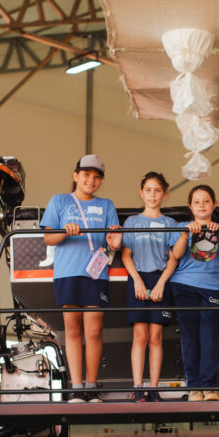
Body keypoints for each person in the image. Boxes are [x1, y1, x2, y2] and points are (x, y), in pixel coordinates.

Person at [40, 154, 122, 403]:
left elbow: (114, 242)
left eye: (96, 177)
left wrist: (114, 242)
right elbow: (47, 238)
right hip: (67, 272)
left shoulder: (107, 205)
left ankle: (91, 386)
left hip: (95, 273)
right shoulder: (60, 201)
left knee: (94, 331)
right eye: (86, 174)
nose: (91, 180)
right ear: (75, 176)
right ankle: (76, 388)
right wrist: (64, 231)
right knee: (73, 330)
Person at [168, 185, 219, 402]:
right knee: (189, 337)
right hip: (184, 285)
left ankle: (209, 386)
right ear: (190, 206)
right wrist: (187, 234)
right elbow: (175, 255)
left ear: (214, 204)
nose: (202, 206)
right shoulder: (181, 226)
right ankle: (194, 387)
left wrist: (218, 234)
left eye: (206, 201)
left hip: (212, 287)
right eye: (197, 202)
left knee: (210, 337)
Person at [120, 171, 178, 402]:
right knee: (140, 336)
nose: (152, 195)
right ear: (141, 193)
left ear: (165, 194)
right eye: (148, 190)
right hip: (138, 279)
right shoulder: (132, 222)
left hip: (161, 279)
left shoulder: (170, 223)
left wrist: (162, 283)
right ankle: (137, 387)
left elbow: (173, 258)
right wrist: (137, 281)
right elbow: (126, 256)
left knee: (156, 337)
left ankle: (153, 388)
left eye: (157, 190)